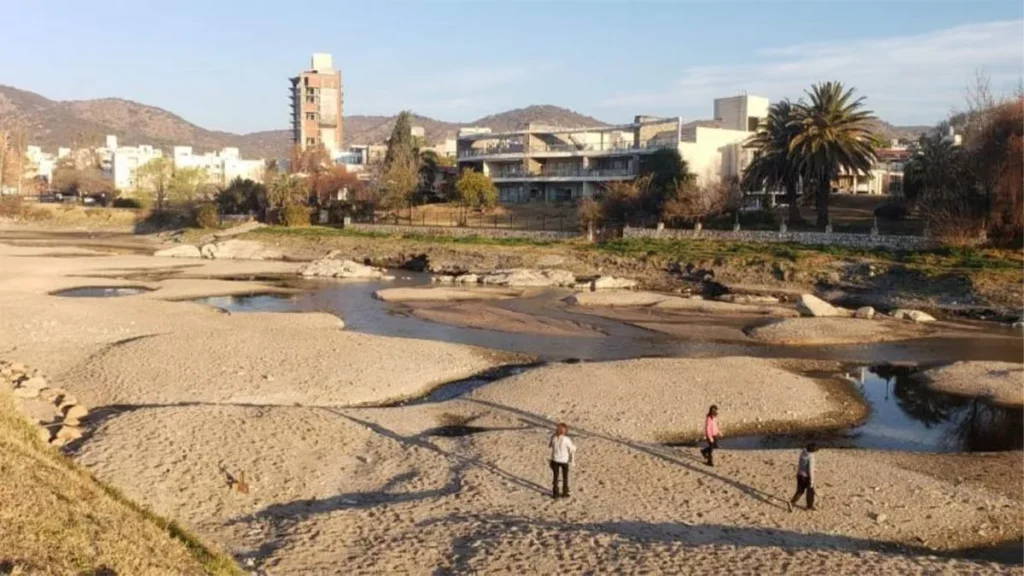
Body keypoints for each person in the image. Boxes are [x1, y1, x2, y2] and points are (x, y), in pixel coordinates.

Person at [549, 423, 577, 499]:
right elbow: (572, 449)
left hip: (555, 459)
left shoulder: (553, 438)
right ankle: (565, 492)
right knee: (565, 477)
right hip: (564, 460)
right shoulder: (566, 440)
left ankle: (555, 493)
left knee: (555, 477)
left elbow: (550, 446)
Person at [789, 442, 818, 512]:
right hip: (806, 477)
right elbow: (810, 470)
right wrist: (812, 480)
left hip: (799, 475)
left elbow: (803, 464)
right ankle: (809, 506)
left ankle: (792, 502)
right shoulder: (811, 457)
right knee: (810, 492)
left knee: (800, 491)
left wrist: (814, 469)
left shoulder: (802, 453)